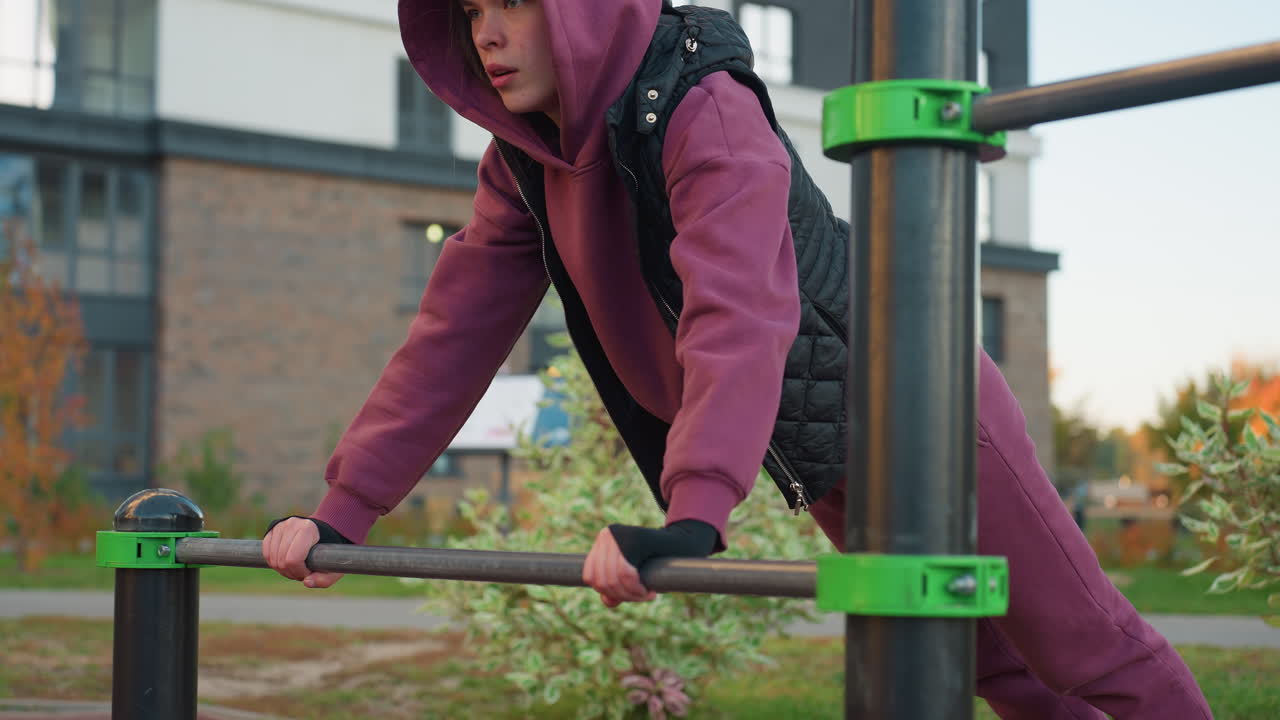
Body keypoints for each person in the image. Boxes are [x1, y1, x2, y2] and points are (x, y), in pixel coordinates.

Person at [262, 1, 1212, 717]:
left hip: (921, 406)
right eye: (469, 12)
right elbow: (452, 333)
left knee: (1087, 651)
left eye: (510, 0)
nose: (487, 37)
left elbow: (739, 308)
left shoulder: (702, 105)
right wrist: (345, 510)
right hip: (828, 445)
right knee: (991, 668)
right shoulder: (524, 163)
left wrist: (696, 511)